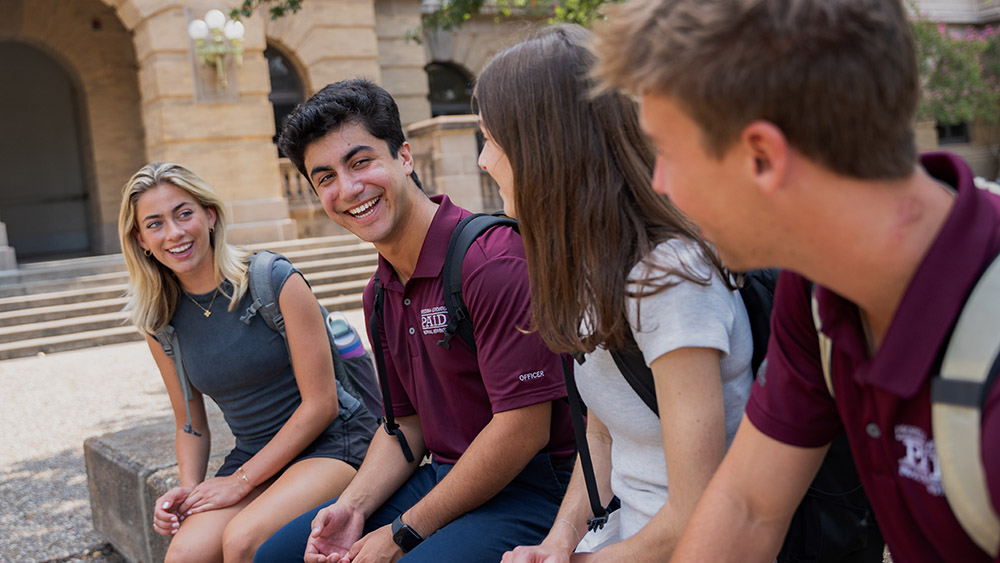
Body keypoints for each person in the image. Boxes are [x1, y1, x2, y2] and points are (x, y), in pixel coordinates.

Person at [594, 0, 1000, 561]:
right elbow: (748, 505)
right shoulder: (818, 290)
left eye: (666, 151)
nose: (659, 182)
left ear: (762, 156)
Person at [254, 78, 576, 563]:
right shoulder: (378, 294)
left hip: (535, 487)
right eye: (325, 178)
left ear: (404, 157)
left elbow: (525, 429)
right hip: (445, 475)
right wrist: (352, 506)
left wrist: (402, 532)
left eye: (360, 162)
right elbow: (405, 425)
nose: (348, 189)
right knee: (278, 555)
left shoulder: (490, 261)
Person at [470, 25, 754, 562]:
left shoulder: (668, 280)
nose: (483, 160)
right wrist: (558, 542)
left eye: (491, 137)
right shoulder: (589, 268)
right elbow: (602, 436)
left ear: (546, 144)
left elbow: (697, 512)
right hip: (626, 537)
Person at [118, 162, 377, 562]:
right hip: (254, 454)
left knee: (243, 540)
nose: (174, 232)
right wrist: (189, 488)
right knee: (184, 555)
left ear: (210, 215)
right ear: (141, 240)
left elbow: (321, 405)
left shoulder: (273, 280)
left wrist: (241, 481)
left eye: (184, 214)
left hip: (332, 442)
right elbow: (190, 424)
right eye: (155, 224)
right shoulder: (160, 322)